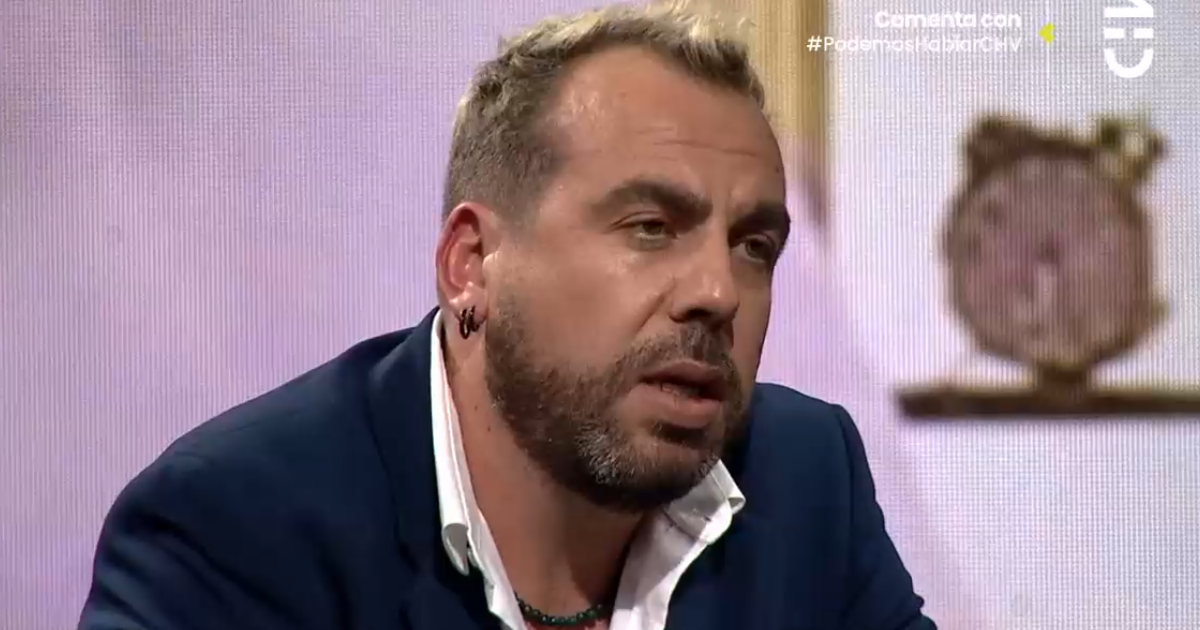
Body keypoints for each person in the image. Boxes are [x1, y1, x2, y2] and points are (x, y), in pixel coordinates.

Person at [78, 2, 935, 629]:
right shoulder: (235, 529)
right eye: (650, 227)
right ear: (471, 264)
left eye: (753, 245)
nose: (717, 291)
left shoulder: (807, 480)